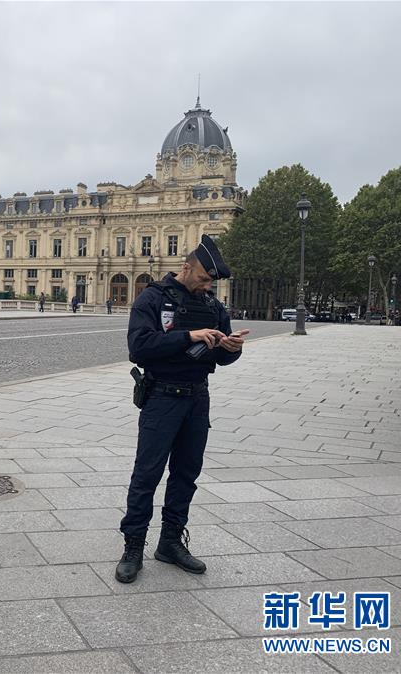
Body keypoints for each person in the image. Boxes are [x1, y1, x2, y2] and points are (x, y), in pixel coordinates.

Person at [116, 234, 247, 584]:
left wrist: (232, 348)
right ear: (186, 267)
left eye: (211, 282)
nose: (207, 286)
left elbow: (222, 357)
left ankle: (170, 542)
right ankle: (133, 546)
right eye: (203, 278)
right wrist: (188, 336)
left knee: (186, 474)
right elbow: (139, 347)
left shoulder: (213, 306)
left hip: (197, 399)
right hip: (161, 397)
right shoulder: (153, 298)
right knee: (147, 475)